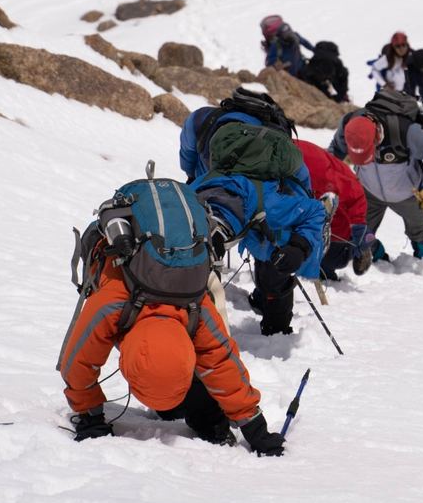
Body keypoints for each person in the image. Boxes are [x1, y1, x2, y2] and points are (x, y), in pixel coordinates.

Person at [58, 194, 286, 457]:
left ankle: (187, 406)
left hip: (159, 291)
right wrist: (90, 414)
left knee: (167, 368)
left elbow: (79, 362)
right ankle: (185, 406)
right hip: (128, 274)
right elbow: (78, 362)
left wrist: (254, 425)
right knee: (162, 367)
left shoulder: (193, 304)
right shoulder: (115, 302)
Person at [194, 129, 325, 337]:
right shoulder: (193, 196)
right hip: (252, 220)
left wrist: (299, 247)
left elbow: (315, 211)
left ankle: (277, 332)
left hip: (273, 221)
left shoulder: (269, 205)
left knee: (274, 272)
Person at [328, 91, 423, 267]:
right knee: (359, 232)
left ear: (377, 135)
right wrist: (327, 177)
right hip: (368, 190)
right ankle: (376, 254)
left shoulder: (406, 131)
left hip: (407, 192)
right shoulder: (349, 124)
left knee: (420, 232)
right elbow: (334, 153)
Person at [293, 141, 369, 281]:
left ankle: (366, 246)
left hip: (336, 221)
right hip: (300, 214)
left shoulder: (321, 173)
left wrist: (358, 225)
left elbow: (355, 193)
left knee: (330, 261)